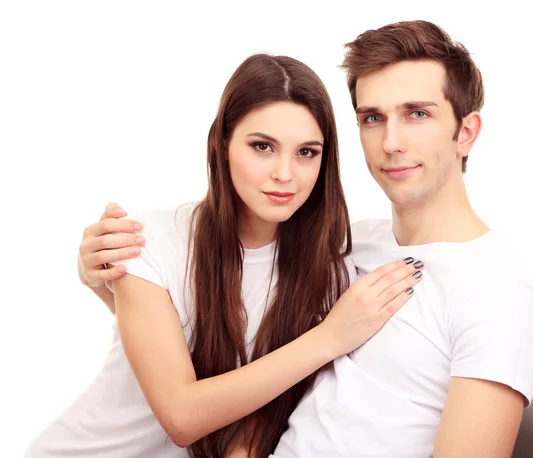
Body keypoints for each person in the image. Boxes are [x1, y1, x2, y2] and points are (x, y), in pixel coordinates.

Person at [74, 20, 533, 457]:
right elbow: (246, 380)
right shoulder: (348, 248)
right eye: (373, 118)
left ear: (466, 132)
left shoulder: (497, 292)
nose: (391, 142)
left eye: (417, 114)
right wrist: (116, 286)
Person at [25, 53, 424, 458]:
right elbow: (181, 416)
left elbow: (253, 429)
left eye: (306, 152)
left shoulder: (329, 274)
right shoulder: (148, 241)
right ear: (223, 144)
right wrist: (330, 338)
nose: (285, 173)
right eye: (262, 146)